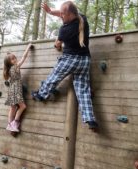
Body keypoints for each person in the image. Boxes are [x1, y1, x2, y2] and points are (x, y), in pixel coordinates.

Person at [32, 1, 98, 131]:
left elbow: (58, 45)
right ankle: (90, 119)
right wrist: (51, 11)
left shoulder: (64, 30)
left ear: (71, 14)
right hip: (84, 61)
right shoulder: (82, 18)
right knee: (83, 91)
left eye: (63, 14)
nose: (61, 15)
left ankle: (41, 94)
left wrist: (57, 44)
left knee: (54, 76)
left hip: (70, 59)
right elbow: (64, 14)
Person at [4, 43, 33, 132]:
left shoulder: (8, 70)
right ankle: (14, 123)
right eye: (12, 59)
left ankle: (10, 124)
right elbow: (24, 57)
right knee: (23, 106)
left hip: (12, 90)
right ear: (9, 62)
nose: (15, 59)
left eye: (14, 57)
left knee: (12, 108)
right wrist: (28, 47)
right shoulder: (15, 67)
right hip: (16, 90)